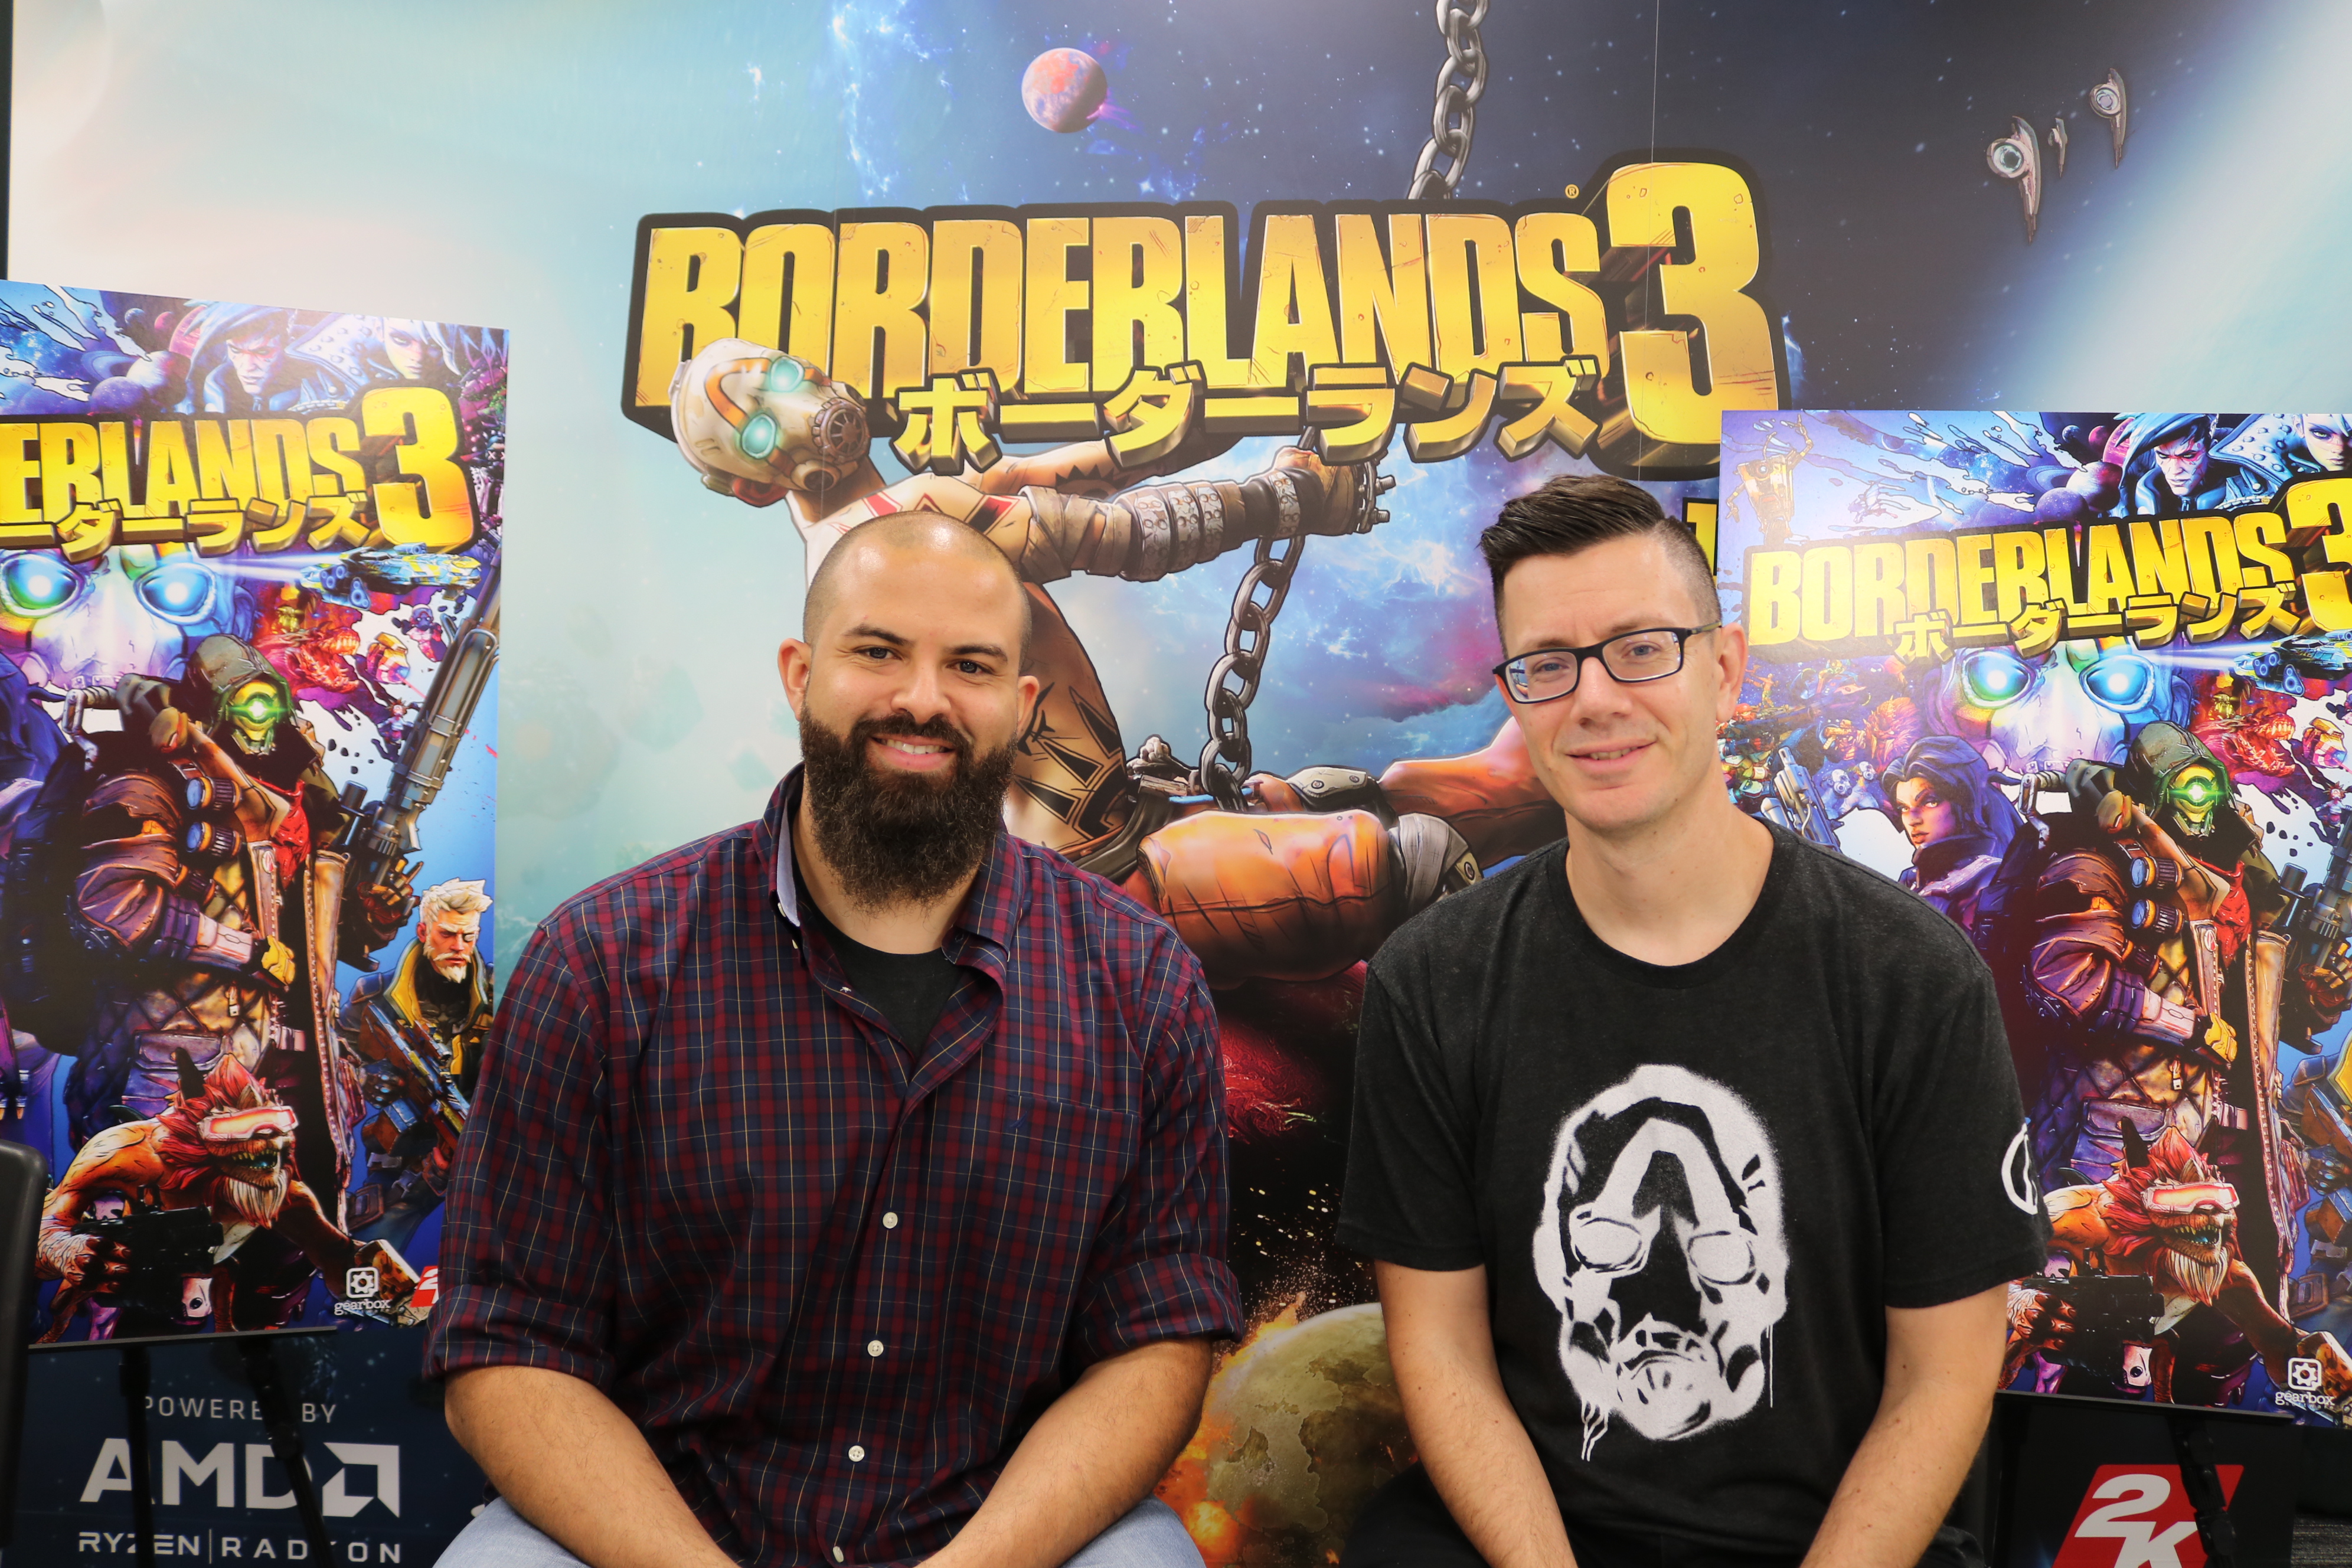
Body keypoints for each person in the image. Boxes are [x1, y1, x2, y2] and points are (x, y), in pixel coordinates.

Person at [425, 511, 1240, 1567]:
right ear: (800, 675)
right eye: (878, 652)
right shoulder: (599, 965)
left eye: (971, 665)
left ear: (1023, 705)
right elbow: (506, 1345)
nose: (922, 698)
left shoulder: (1140, 983)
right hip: (657, 1530)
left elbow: (1155, 1343)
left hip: (1002, 1534)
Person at [1337, 474, 2050, 1568]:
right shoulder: (1430, 982)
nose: (1593, 700)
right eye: (1546, 665)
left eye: (1640, 649)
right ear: (1515, 697)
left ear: (1723, 670)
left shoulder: (1911, 978)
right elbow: (1440, 1352)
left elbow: (1942, 1376)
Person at [341, 876, 494, 1252]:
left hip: (487, 1137)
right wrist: (363, 1076)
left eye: (469, 936)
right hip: (403, 1147)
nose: (459, 947)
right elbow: (332, 1060)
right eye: (447, 934)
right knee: (368, 1249)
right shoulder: (375, 995)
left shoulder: (502, 993)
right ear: (424, 932)